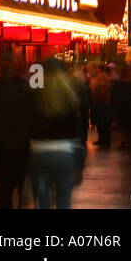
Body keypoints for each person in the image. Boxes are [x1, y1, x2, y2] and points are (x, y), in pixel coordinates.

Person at [29, 59, 82, 210]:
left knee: (43, 199)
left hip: (39, 153)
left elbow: (28, 127)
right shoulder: (69, 98)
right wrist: (80, 162)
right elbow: (76, 132)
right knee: (64, 200)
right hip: (64, 153)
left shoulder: (35, 96)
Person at [0, 67, 32, 209]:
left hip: (3, 144)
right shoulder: (26, 92)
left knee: (5, 186)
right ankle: (21, 201)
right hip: (22, 143)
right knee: (21, 177)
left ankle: (6, 203)